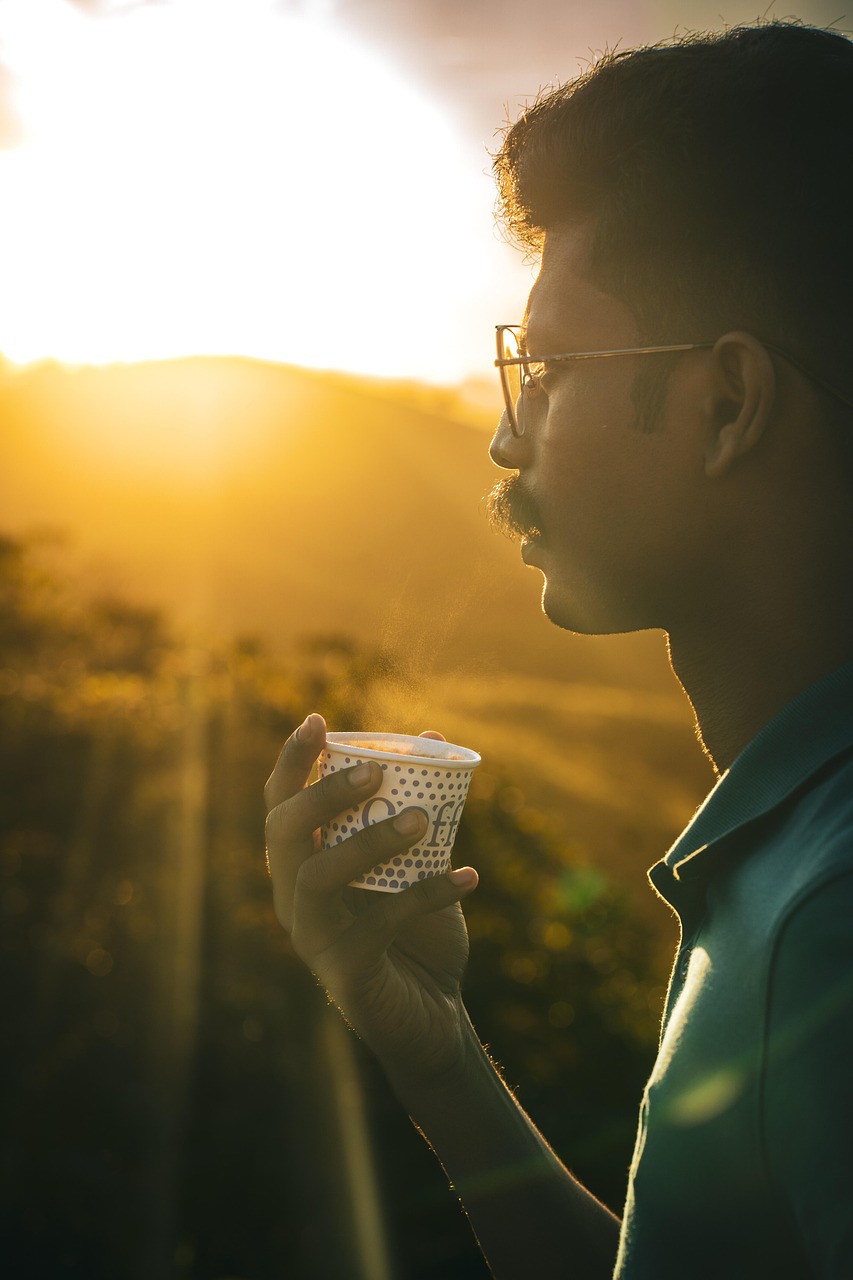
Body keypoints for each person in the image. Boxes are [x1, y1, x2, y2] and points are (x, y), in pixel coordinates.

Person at [264, 21, 853, 1278]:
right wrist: (436, 1050)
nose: (503, 441)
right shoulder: (790, 849)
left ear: (728, 404)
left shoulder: (833, 916)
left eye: (546, 365)